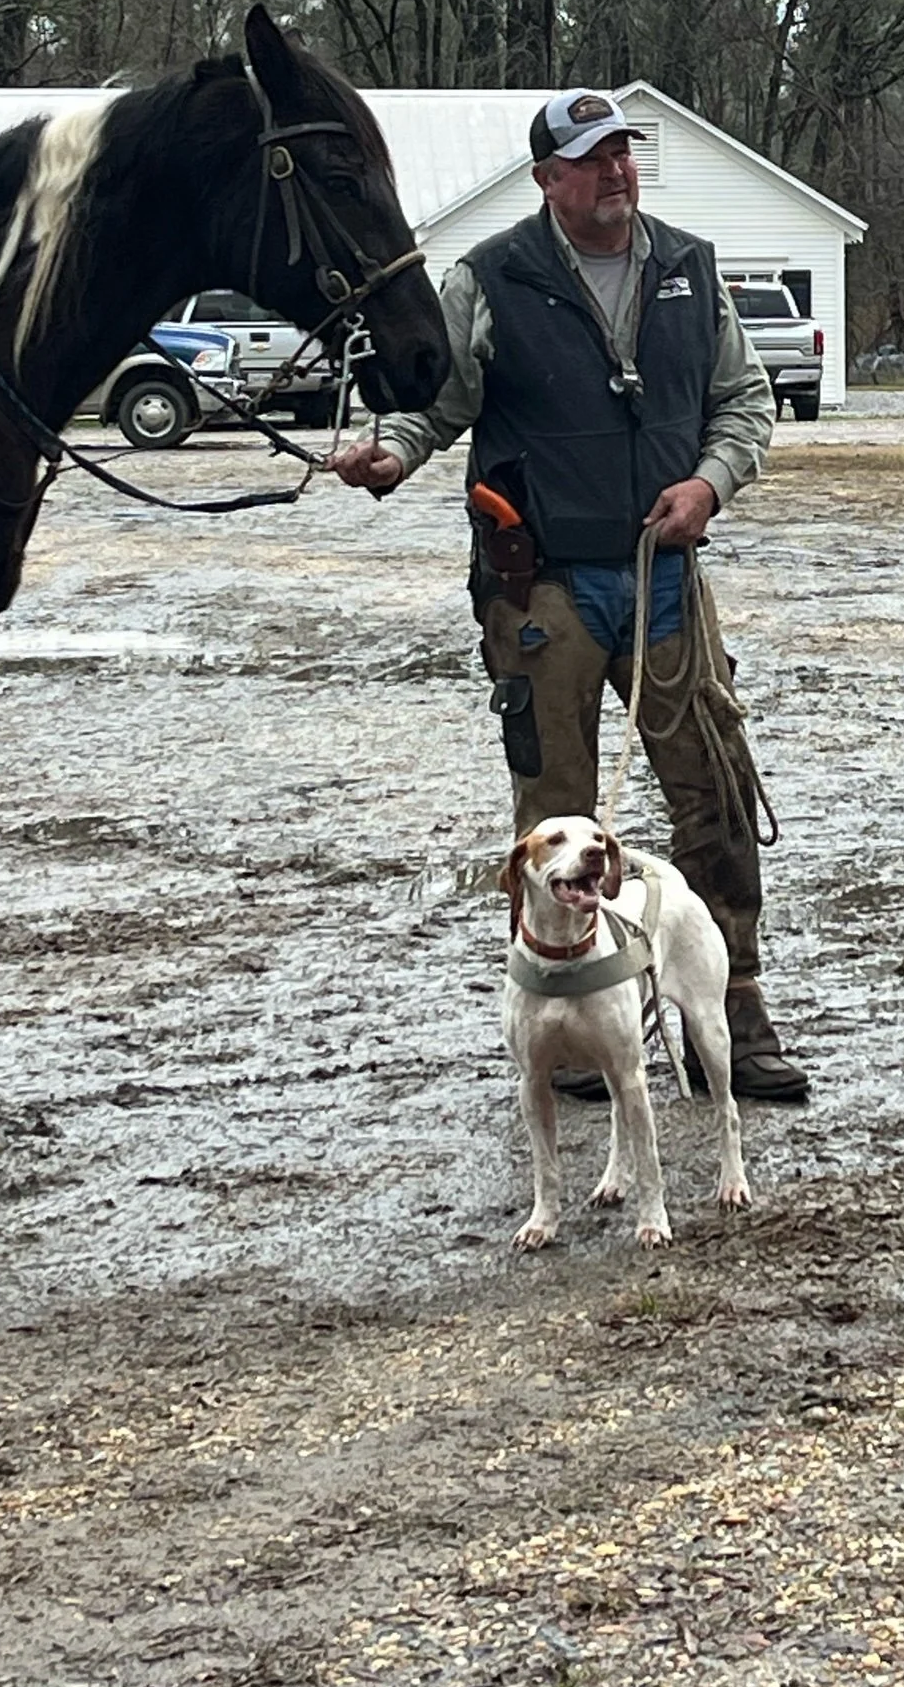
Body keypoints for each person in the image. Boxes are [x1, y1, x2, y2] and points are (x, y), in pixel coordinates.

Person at [333, 86, 806, 1099]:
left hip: (663, 579)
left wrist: (709, 484)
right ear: (548, 178)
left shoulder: (689, 268)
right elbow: (437, 406)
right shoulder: (491, 276)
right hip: (538, 587)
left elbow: (744, 401)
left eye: (622, 153)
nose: (616, 172)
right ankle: (576, 1016)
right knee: (556, 819)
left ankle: (734, 1005)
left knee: (716, 796)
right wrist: (392, 456)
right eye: (592, 159)